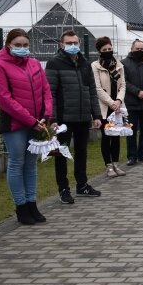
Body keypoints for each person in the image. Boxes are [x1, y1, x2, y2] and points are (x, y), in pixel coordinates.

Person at [0, 28, 53, 224]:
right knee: (17, 162)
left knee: (31, 164)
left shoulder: (34, 64)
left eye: (25, 45)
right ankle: (21, 206)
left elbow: (46, 91)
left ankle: (32, 203)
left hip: (37, 122)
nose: (22, 48)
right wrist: (30, 120)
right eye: (18, 45)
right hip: (14, 124)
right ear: (8, 45)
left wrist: (45, 115)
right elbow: (5, 99)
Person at [45, 30, 102, 204]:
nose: (73, 46)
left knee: (82, 152)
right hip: (63, 117)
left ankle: (82, 184)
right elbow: (51, 92)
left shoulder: (85, 63)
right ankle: (63, 189)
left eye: (75, 43)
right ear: (61, 45)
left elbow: (91, 90)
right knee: (61, 153)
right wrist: (53, 118)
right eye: (69, 43)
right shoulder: (54, 63)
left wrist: (96, 114)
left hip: (83, 116)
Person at [91, 36, 127, 178]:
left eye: (110, 48)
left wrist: (118, 100)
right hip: (105, 107)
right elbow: (97, 88)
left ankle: (116, 164)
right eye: (104, 49)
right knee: (107, 137)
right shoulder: (95, 66)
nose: (108, 51)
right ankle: (108, 166)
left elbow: (123, 84)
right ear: (99, 51)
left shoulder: (119, 65)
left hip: (117, 106)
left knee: (116, 136)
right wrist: (111, 102)